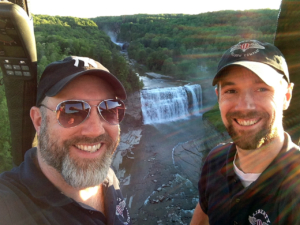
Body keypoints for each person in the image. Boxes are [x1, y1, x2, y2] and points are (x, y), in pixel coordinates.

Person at [0, 56, 131, 225]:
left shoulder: (108, 177)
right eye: (72, 111)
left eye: (109, 109)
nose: (95, 130)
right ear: (39, 121)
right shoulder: (10, 206)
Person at [190, 40, 300, 225]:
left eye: (261, 89)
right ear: (219, 98)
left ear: (286, 96)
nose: (244, 106)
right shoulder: (215, 160)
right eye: (231, 90)